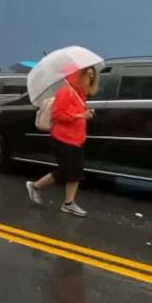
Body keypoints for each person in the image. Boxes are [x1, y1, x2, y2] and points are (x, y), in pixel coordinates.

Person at [25, 66, 98, 217]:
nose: (90, 78)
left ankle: (68, 203)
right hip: (63, 138)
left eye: (92, 75)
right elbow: (58, 115)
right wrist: (81, 116)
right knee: (66, 172)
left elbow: (76, 113)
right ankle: (35, 186)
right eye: (88, 74)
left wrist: (85, 114)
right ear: (79, 75)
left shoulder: (80, 93)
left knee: (76, 172)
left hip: (77, 138)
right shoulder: (65, 91)